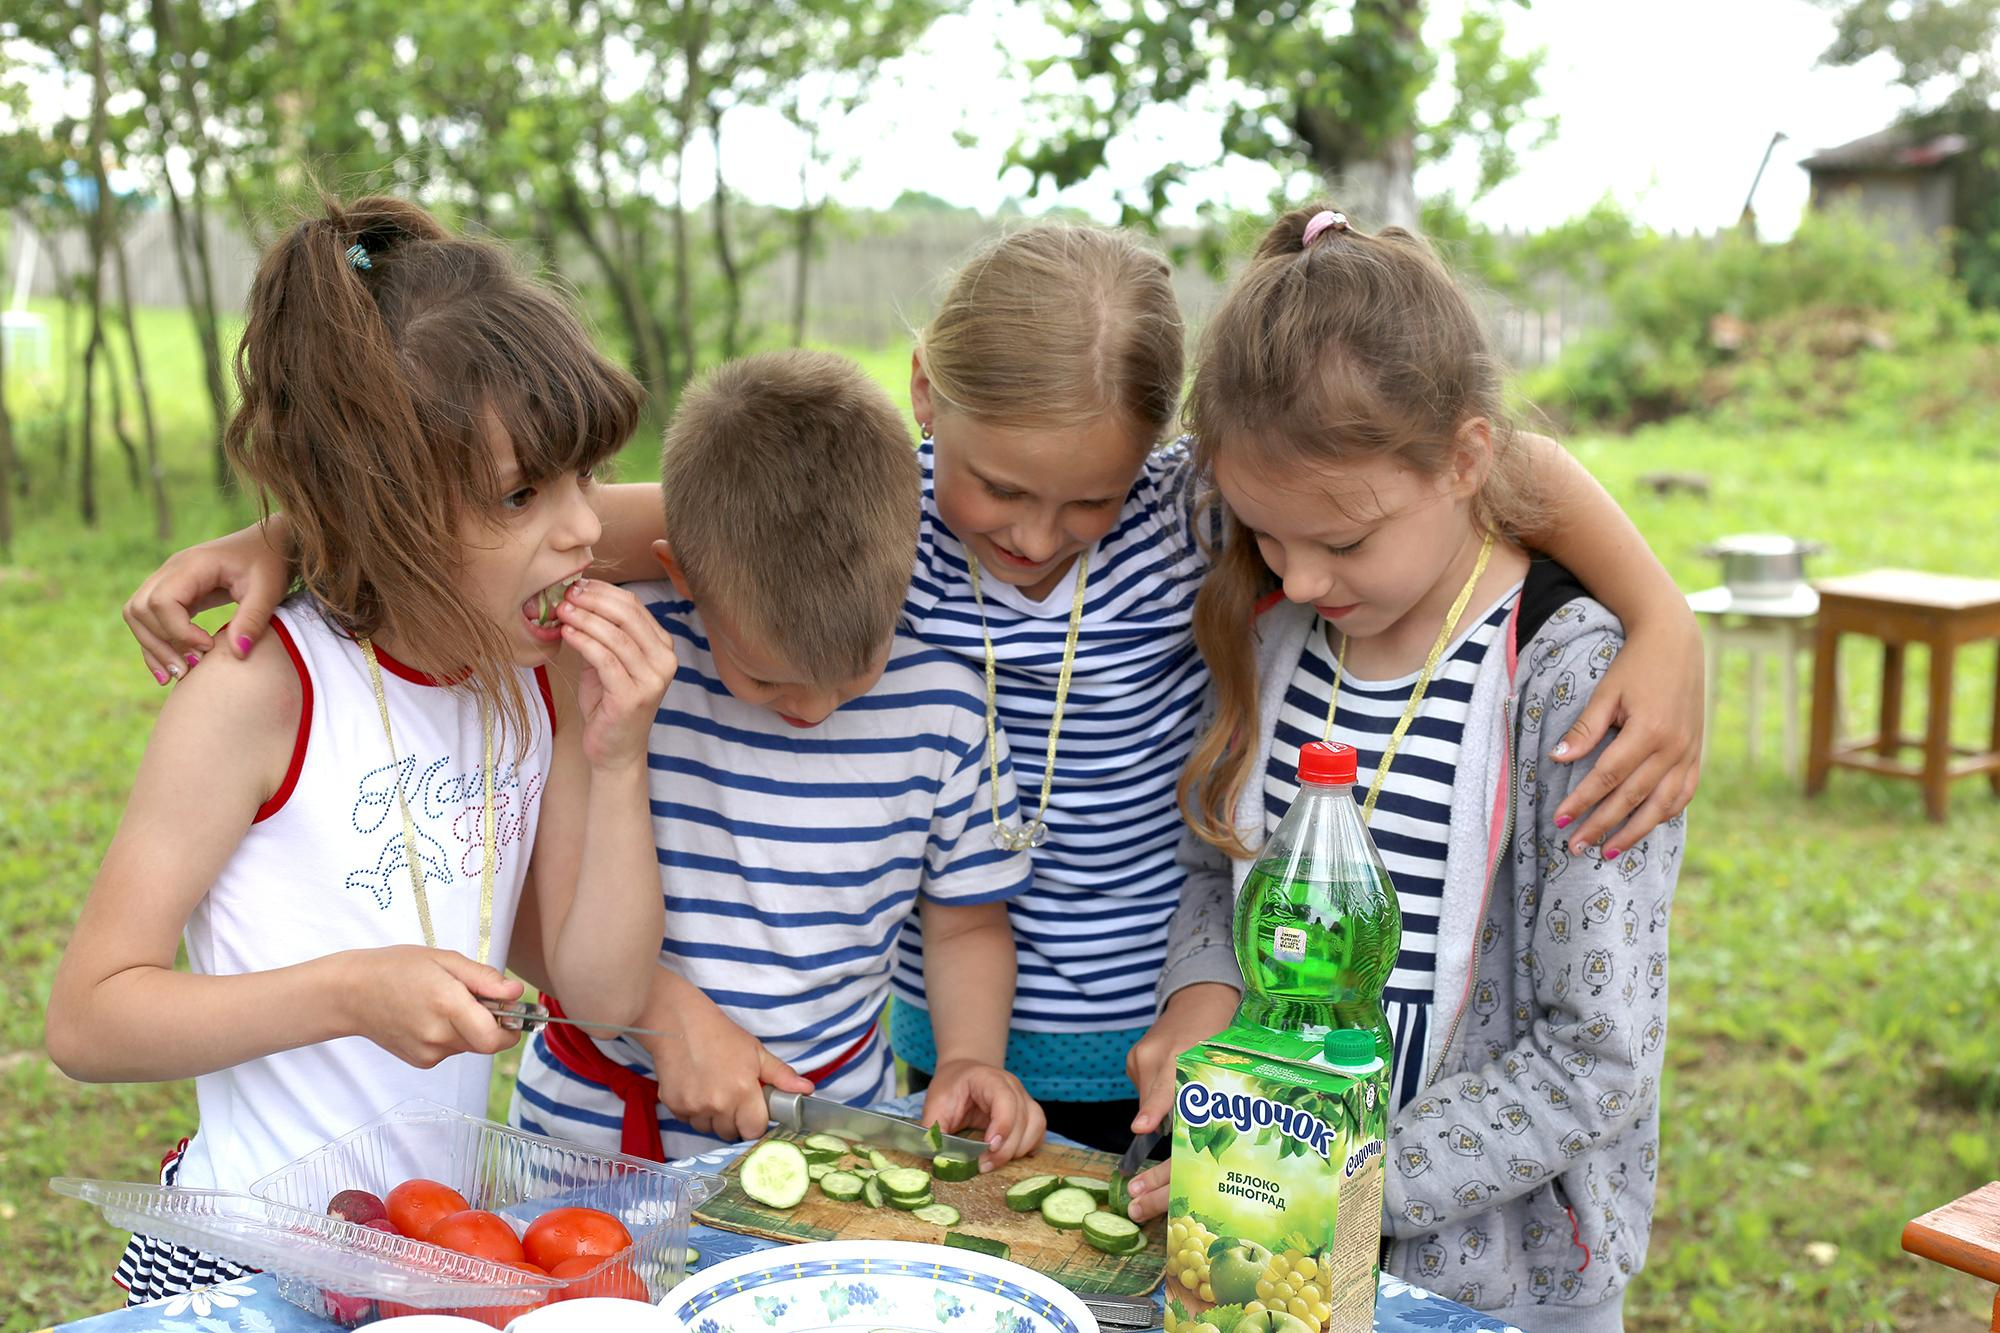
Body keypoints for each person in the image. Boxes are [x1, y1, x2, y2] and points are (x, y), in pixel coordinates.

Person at [118, 221, 1703, 1156]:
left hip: (1154, 1060)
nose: (1034, 535)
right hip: (921, 1068)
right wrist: (285, 532)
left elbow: (1475, 457)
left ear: (1159, 459)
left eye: (1085, 501)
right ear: (931, 405)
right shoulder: (870, 511)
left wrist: (1659, 611)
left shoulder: (1205, 513)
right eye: (1003, 488)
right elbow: (506, 524)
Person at [44, 195, 676, 1302]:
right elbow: (90, 1016)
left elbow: (599, 988)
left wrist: (613, 759)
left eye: (586, 476)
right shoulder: (262, 692)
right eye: (527, 493)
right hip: (247, 1257)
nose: (583, 528)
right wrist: (348, 991)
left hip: (432, 1258)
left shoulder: (523, 677)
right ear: (380, 508)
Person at [1124, 206, 1682, 1333]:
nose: (1301, 575)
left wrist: (1343, 1176)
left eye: (1344, 540)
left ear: (1466, 457)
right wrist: (1202, 998)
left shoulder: (1565, 684)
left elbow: (1595, 1052)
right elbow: (1212, 875)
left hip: (1500, 1283)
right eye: (1266, 536)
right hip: (1275, 1234)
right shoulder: (1273, 635)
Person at [505, 350, 1045, 1165]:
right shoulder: (621, 662)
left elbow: (965, 922)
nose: (814, 708)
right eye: (766, 676)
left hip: (834, 1137)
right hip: (588, 1140)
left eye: (856, 669)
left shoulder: (946, 707)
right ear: (680, 576)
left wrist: (971, 1056)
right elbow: (459, 546)